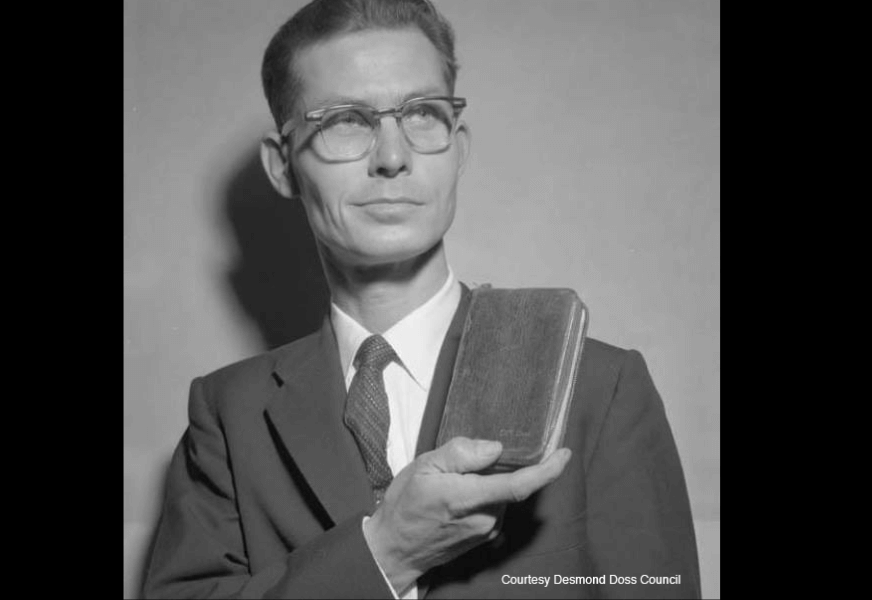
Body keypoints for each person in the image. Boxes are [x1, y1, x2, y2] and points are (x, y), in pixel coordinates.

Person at [143, 0, 701, 598]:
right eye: (345, 120)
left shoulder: (600, 387)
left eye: (422, 114)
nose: (392, 158)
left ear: (458, 148)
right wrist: (384, 552)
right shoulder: (229, 415)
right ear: (283, 166)